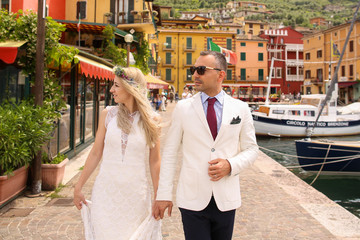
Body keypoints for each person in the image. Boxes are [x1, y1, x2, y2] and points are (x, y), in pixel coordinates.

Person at [153, 51, 259, 240]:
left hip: (226, 198)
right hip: (192, 198)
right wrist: (163, 194)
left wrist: (230, 165)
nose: (195, 75)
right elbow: (169, 154)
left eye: (201, 70)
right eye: (194, 70)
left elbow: (252, 149)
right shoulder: (183, 108)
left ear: (220, 74)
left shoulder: (240, 108)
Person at [73, 66, 162, 239]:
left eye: (116, 85)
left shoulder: (152, 120)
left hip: (136, 194)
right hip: (105, 192)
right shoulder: (108, 115)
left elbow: (155, 161)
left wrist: (159, 195)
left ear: (130, 89)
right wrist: (78, 186)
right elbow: (95, 153)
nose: (111, 90)